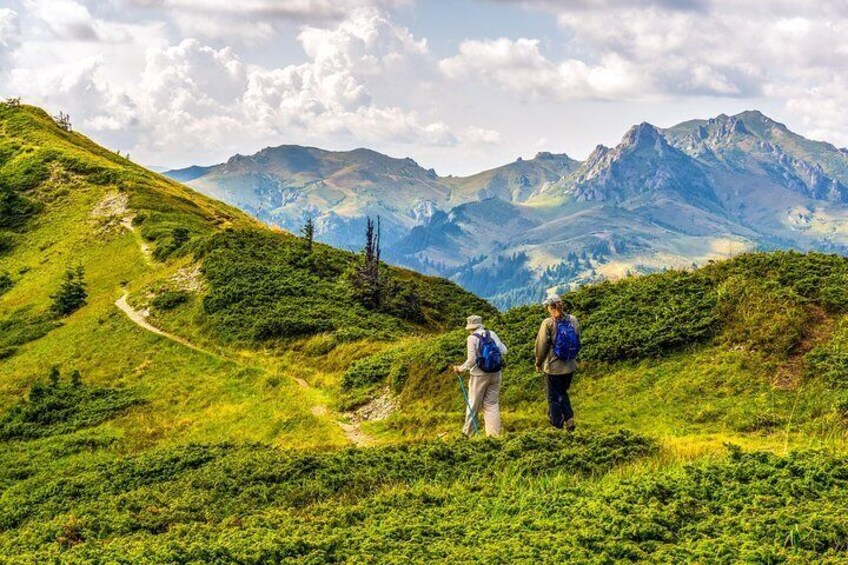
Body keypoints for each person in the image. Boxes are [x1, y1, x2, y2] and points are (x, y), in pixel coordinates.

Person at [453, 315, 508, 437]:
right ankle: (494, 437)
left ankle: (467, 436)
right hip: (496, 373)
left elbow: (472, 360)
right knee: (492, 404)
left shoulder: (472, 338)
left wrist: (460, 368)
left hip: (479, 375)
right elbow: (504, 350)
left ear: (470, 327)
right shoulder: (491, 333)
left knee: (473, 405)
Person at [535, 295, 581, 432]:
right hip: (570, 365)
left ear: (550, 307)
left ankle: (557, 426)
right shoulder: (573, 320)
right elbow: (577, 339)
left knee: (553, 397)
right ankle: (569, 418)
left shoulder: (548, 323)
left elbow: (541, 345)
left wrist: (538, 362)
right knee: (562, 392)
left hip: (553, 368)